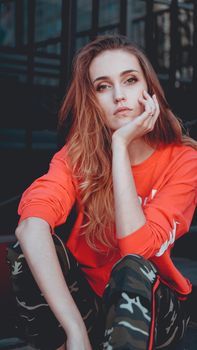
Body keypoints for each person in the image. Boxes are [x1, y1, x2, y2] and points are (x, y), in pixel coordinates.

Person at [7, 34, 197, 350]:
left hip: (153, 308)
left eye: (130, 80)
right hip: (89, 307)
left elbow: (136, 251)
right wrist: (74, 329)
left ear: (149, 91)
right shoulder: (77, 156)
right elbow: (30, 225)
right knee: (27, 250)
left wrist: (120, 146)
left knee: (132, 268)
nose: (119, 95)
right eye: (103, 86)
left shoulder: (184, 160)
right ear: (91, 100)